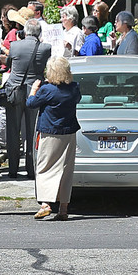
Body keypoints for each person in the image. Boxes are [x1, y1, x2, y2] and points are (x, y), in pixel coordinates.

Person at [27, 55, 82, 221]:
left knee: (44, 168)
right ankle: (63, 209)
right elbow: (77, 99)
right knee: (66, 170)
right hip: (69, 132)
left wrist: (33, 90)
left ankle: (46, 203)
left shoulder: (47, 90)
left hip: (50, 132)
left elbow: (31, 104)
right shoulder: (74, 88)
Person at [2, 19, 51, 178]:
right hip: (35, 91)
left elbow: (9, 65)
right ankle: (32, 169)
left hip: (15, 91)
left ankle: (13, 170)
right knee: (32, 132)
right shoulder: (46, 48)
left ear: (25, 32)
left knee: (13, 131)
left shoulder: (15, 46)